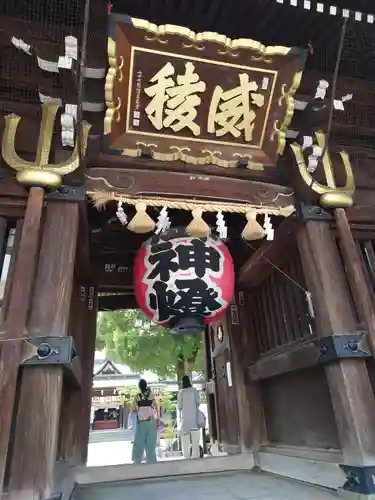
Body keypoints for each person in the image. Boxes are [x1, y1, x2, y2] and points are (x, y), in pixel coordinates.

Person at [131, 379, 158, 464]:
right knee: (151, 441)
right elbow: (156, 406)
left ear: (139, 387)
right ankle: (151, 459)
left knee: (139, 441)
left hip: (141, 422)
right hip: (151, 421)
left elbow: (133, 409)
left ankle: (137, 459)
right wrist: (157, 418)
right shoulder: (151, 395)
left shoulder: (137, 397)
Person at [178, 375, 200, 459]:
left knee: (185, 439)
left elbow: (179, 406)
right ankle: (195, 455)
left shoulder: (181, 392)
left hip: (185, 419)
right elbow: (198, 402)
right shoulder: (194, 391)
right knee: (195, 438)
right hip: (194, 418)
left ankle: (186, 456)